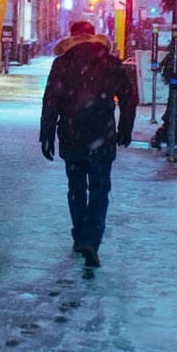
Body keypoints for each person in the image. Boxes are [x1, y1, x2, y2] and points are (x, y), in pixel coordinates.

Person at [39, 20, 136, 268]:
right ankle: (92, 238)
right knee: (100, 189)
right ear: (93, 36)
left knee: (76, 187)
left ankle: (80, 233)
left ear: (72, 37)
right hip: (102, 134)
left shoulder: (62, 63)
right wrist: (126, 127)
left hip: (72, 134)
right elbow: (128, 97)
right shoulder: (110, 62)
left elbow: (51, 100)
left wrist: (47, 133)